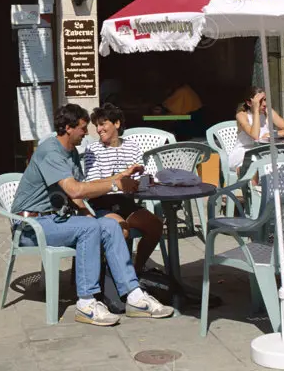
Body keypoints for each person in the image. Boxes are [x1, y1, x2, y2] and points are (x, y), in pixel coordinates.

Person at [11, 103, 173, 327]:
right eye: (83, 128)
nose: (87, 133)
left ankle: (134, 296)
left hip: (57, 218)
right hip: (31, 225)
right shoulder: (50, 152)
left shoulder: (71, 154)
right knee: (90, 228)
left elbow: (78, 193)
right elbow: (75, 190)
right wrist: (115, 183)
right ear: (68, 128)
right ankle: (86, 303)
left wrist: (89, 210)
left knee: (109, 226)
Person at [84, 103, 163, 276]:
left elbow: (137, 179)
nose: (98, 129)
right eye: (97, 125)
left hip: (127, 201)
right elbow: (93, 183)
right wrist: (121, 178)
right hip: (101, 202)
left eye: (103, 123)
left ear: (117, 124)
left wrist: (145, 180)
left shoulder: (132, 146)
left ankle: (137, 270)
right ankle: (114, 276)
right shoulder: (92, 150)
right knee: (121, 229)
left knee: (155, 226)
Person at [228, 87, 284, 172]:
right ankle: (251, 184)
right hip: (244, 152)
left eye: (265, 100)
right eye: (260, 101)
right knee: (255, 161)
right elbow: (255, 136)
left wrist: (271, 135)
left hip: (264, 151)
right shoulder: (242, 115)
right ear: (249, 103)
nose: (265, 104)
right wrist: (256, 111)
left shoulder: (268, 112)